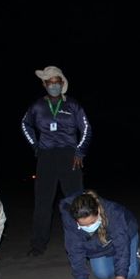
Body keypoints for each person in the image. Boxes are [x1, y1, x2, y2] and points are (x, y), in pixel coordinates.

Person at [21, 65, 92, 257]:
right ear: (44, 84)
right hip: (46, 156)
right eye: (49, 82)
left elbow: (86, 128)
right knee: (43, 202)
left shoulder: (73, 105)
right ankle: (38, 244)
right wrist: (36, 146)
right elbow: (25, 124)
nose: (53, 85)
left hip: (70, 156)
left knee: (76, 201)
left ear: (62, 83)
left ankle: (81, 243)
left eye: (56, 82)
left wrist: (80, 152)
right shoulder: (37, 106)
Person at [60, 189, 140, 279]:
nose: (89, 227)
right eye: (83, 225)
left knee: (130, 273)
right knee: (102, 274)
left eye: (92, 222)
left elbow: (121, 245)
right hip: (99, 241)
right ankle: (117, 259)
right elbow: (74, 248)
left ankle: (137, 255)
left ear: (98, 211)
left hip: (126, 233)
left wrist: (120, 276)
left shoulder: (114, 212)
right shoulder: (69, 216)